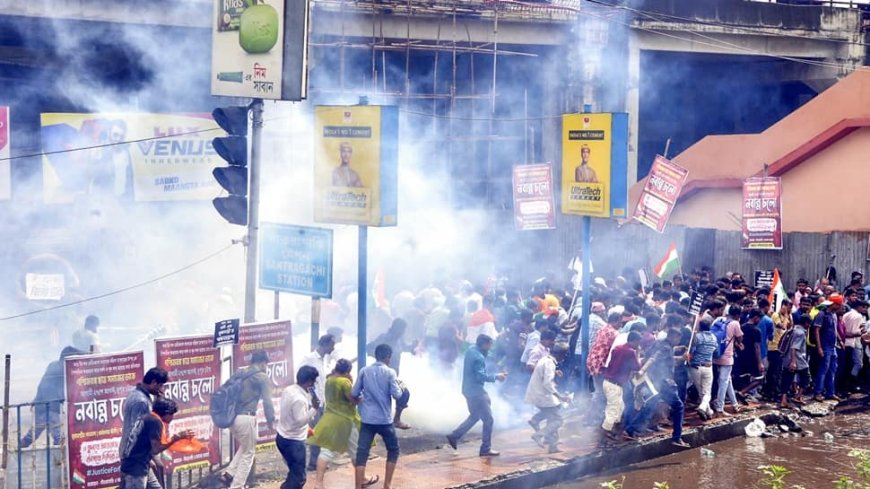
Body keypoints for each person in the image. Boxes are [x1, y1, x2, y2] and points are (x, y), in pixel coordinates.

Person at [308, 359, 379, 489]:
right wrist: (363, 397)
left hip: (329, 419)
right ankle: (362, 478)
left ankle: (318, 483)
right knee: (357, 451)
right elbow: (353, 400)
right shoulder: (344, 382)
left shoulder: (329, 380)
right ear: (347, 371)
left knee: (326, 451)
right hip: (345, 420)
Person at [351, 344, 404, 489]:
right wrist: (401, 388)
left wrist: (364, 396)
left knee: (362, 453)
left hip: (367, 419)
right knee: (393, 449)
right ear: (388, 357)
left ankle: (358, 486)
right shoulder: (390, 372)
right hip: (384, 420)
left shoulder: (364, 371)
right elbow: (397, 394)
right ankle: (387, 485)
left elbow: (354, 392)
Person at [222, 350, 276, 489]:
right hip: (246, 417)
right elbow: (267, 402)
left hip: (231, 418)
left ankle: (229, 473)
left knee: (246, 447)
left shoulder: (239, 373)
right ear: (263, 363)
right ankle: (237, 485)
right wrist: (271, 420)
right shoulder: (261, 377)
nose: (266, 367)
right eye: (266, 364)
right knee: (249, 453)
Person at [446, 334, 507, 457]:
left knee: (475, 416)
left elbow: (485, 356)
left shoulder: (471, 350)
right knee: (488, 420)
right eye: (489, 344)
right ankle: (485, 448)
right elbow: (480, 376)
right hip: (476, 392)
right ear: (484, 344)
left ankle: (455, 435)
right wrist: (497, 377)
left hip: (467, 389)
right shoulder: (478, 357)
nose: (490, 347)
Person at [120, 399, 193, 489]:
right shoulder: (154, 421)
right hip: (136, 468)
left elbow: (139, 443)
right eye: (172, 414)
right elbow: (156, 449)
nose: (172, 417)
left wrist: (149, 459)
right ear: (167, 413)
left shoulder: (149, 417)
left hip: (142, 463)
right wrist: (176, 438)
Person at [20, 346, 83, 448]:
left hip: (42, 404)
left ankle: (15, 451)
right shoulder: (64, 368)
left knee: (32, 435)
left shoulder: (53, 365)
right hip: (51, 407)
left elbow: (43, 384)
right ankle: (59, 461)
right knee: (58, 438)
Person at [119, 366, 170, 489]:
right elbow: (135, 431)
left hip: (139, 457)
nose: (161, 389)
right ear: (153, 383)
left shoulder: (136, 394)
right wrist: (145, 459)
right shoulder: (141, 402)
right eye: (160, 385)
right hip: (135, 457)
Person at [276, 366, 320, 489]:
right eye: (314, 381)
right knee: (299, 477)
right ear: (309, 382)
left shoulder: (289, 390)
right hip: (294, 442)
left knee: (293, 472)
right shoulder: (299, 399)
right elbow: (300, 421)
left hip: (282, 436)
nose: (315, 384)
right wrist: (314, 409)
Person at [299, 334, 337, 471]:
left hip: (321, 402)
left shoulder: (322, 360)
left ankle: (314, 462)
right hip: (312, 403)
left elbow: (319, 381)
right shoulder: (309, 359)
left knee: (318, 433)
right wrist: (311, 397)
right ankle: (309, 463)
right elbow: (301, 378)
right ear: (325, 344)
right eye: (332, 345)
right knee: (312, 433)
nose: (333, 348)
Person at [367, 319, 414, 429]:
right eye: (402, 329)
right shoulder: (384, 338)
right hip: (381, 375)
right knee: (403, 393)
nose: (403, 332)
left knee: (404, 394)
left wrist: (412, 347)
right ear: (397, 328)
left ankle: (395, 420)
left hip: (393, 375)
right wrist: (380, 357)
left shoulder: (399, 340)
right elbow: (369, 348)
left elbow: (405, 348)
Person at [525, 344, 569, 453]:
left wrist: (554, 372)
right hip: (542, 395)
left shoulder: (545, 359)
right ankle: (539, 435)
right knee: (557, 420)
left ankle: (536, 421)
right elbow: (547, 383)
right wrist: (560, 396)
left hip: (538, 394)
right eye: (564, 355)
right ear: (561, 355)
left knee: (553, 413)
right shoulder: (550, 363)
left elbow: (543, 374)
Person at [599, 332, 641, 445]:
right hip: (614, 385)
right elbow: (637, 366)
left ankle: (611, 433)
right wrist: (638, 353)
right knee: (612, 411)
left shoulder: (617, 348)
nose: (639, 345)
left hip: (608, 382)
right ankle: (603, 439)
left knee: (620, 408)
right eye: (638, 342)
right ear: (635, 341)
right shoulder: (630, 352)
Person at [713, 305, 744, 416]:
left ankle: (735, 404)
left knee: (727, 379)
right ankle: (720, 408)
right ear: (737, 315)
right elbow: (740, 338)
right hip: (727, 356)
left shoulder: (719, 319)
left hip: (716, 354)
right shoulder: (735, 323)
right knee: (723, 381)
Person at [812, 295, 842, 401]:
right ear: (834, 304)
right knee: (823, 369)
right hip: (825, 346)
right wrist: (819, 347)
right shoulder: (822, 314)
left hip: (832, 346)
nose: (840, 307)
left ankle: (830, 392)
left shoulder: (833, 315)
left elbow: (834, 329)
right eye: (839, 304)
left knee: (832, 369)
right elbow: (816, 331)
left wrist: (839, 340)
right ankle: (818, 392)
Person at [687, 319, 718, 420]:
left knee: (702, 392)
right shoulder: (714, 337)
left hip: (695, 367)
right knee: (706, 392)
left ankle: (705, 409)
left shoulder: (697, 337)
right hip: (708, 366)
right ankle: (707, 410)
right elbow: (717, 352)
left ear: (700, 326)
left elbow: (692, 351)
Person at [781, 315, 812, 408]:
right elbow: (794, 347)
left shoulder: (793, 329)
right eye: (809, 324)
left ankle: (784, 400)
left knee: (787, 379)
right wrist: (793, 362)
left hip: (787, 358)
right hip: (797, 360)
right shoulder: (801, 333)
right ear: (806, 323)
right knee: (806, 377)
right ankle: (798, 396)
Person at [736, 309, 765, 401]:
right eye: (759, 319)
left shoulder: (742, 327)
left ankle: (743, 394)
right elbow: (757, 347)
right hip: (752, 358)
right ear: (756, 318)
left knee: (745, 377)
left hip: (741, 356)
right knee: (759, 379)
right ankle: (742, 392)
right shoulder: (756, 331)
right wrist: (760, 362)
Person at [841, 299, 867, 395]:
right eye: (863, 307)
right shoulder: (858, 316)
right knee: (857, 364)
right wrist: (862, 333)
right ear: (858, 307)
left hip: (844, 343)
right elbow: (856, 332)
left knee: (847, 366)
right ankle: (851, 384)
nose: (865, 309)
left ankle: (847, 385)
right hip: (852, 343)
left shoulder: (846, 314)